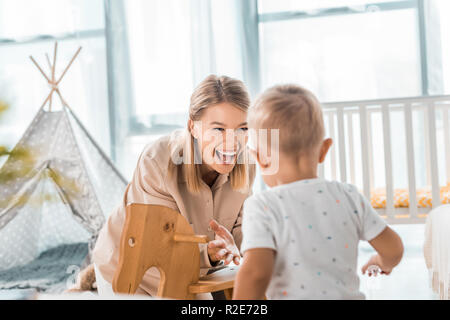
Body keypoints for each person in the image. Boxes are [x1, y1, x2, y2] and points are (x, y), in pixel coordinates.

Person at [233, 84, 404, 299]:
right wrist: (380, 262)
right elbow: (394, 249)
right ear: (324, 150)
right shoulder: (348, 196)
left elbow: (256, 274)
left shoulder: (263, 206)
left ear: (259, 157)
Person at [92, 75, 255, 297]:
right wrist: (209, 254)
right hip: (132, 270)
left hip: (201, 271)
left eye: (242, 129)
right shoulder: (158, 161)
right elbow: (159, 249)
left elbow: (241, 235)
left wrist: (239, 248)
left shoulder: (247, 165)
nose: (231, 142)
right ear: (194, 127)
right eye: (218, 129)